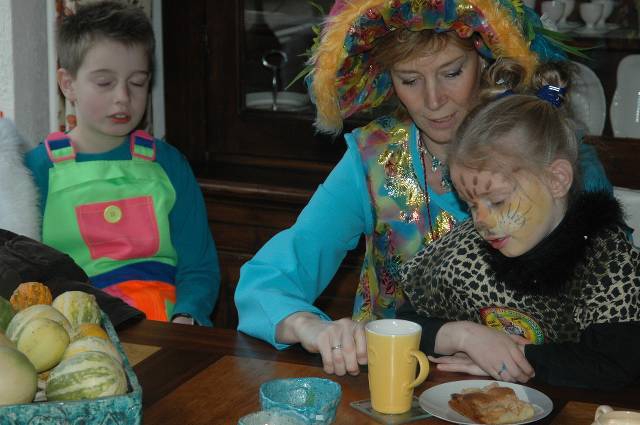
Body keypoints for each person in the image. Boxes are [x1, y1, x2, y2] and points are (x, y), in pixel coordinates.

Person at [235, 0, 612, 375]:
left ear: (486, 61)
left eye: (452, 72)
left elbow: (613, 308)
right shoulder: (373, 159)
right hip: (389, 387)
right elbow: (269, 281)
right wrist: (310, 327)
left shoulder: (551, 154)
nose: (433, 101)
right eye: (410, 80)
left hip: (530, 387)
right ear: (389, 79)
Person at [398, 60, 640, 390]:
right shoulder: (468, 248)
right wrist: (466, 336)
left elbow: (617, 365)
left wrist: (514, 359)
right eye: (471, 205)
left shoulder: (604, 259)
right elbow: (406, 324)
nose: (481, 220)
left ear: (557, 180)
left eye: (497, 201)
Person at [25, 1, 220, 326]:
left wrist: (187, 315)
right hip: (79, 335)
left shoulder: (169, 164)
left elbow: (198, 267)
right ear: (68, 84)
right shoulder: (37, 170)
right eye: (105, 82)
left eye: (137, 82)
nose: (123, 97)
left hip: (166, 330)